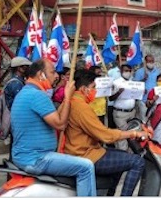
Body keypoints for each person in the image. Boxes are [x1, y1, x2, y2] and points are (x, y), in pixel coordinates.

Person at [10, 59, 96, 197]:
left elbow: (55, 117)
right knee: (86, 166)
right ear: (41, 75)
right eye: (53, 72)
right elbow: (60, 124)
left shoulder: (27, 92)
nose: (57, 76)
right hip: (37, 159)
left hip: (26, 156)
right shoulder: (37, 95)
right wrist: (67, 97)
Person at [64, 70, 149, 196]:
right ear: (83, 89)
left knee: (123, 157)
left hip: (89, 150)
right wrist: (133, 134)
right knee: (137, 162)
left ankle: (109, 194)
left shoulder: (74, 102)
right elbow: (105, 136)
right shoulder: (81, 107)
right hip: (86, 155)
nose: (95, 91)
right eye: (93, 87)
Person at [110, 64, 138, 151]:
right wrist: (119, 92)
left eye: (129, 71)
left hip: (131, 112)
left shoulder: (132, 82)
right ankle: (122, 152)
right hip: (120, 113)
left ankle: (130, 153)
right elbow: (111, 98)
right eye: (126, 71)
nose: (128, 72)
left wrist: (140, 92)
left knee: (131, 133)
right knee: (122, 134)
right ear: (121, 72)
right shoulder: (116, 83)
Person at [133, 54, 161, 120]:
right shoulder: (139, 72)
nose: (151, 63)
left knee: (154, 119)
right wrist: (143, 80)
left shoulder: (158, 72)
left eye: (152, 61)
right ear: (145, 62)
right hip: (143, 100)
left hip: (154, 100)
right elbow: (134, 86)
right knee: (144, 120)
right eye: (149, 61)